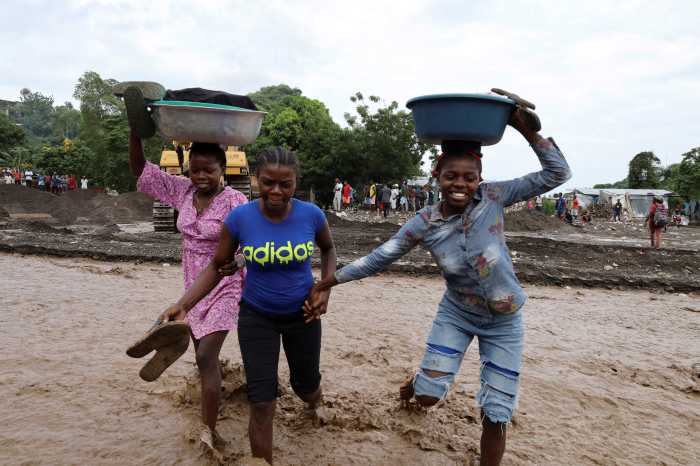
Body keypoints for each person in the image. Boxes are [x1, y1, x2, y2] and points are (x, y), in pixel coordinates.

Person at [307, 107, 571, 466]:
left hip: (505, 321)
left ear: (480, 178)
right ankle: (419, 384)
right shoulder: (424, 222)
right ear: (437, 176)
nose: (459, 184)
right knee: (429, 397)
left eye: (468, 177)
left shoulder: (494, 198)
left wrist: (526, 131)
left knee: (497, 411)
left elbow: (558, 173)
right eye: (451, 176)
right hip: (457, 314)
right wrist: (329, 281)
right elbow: (381, 256)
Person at [161, 147, 336, 463]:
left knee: (304, 386)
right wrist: (183, 305)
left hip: (303, 316)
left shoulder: (311, 215)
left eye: (286, 185)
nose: (276, 192)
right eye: (269, 182)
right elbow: (217, 266)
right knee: (262, 401)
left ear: (296, 183)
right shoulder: (240, 218)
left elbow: (328, 250)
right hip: (257, 318)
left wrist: (324, 289)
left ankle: (315, 401)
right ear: (256, 179)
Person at [129, 132, 248, 450]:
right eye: (194, 169)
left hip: (225, 282)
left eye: (208, 169)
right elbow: (141, 169)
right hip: (192, 284)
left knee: (206, 356)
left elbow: (254, 244)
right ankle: (187, 352)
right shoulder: (183, 192)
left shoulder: (237, 201)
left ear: (222, 168)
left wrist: (238, 259)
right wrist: (135, 128)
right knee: (204, 358)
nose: (201, 176)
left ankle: (209, 430)